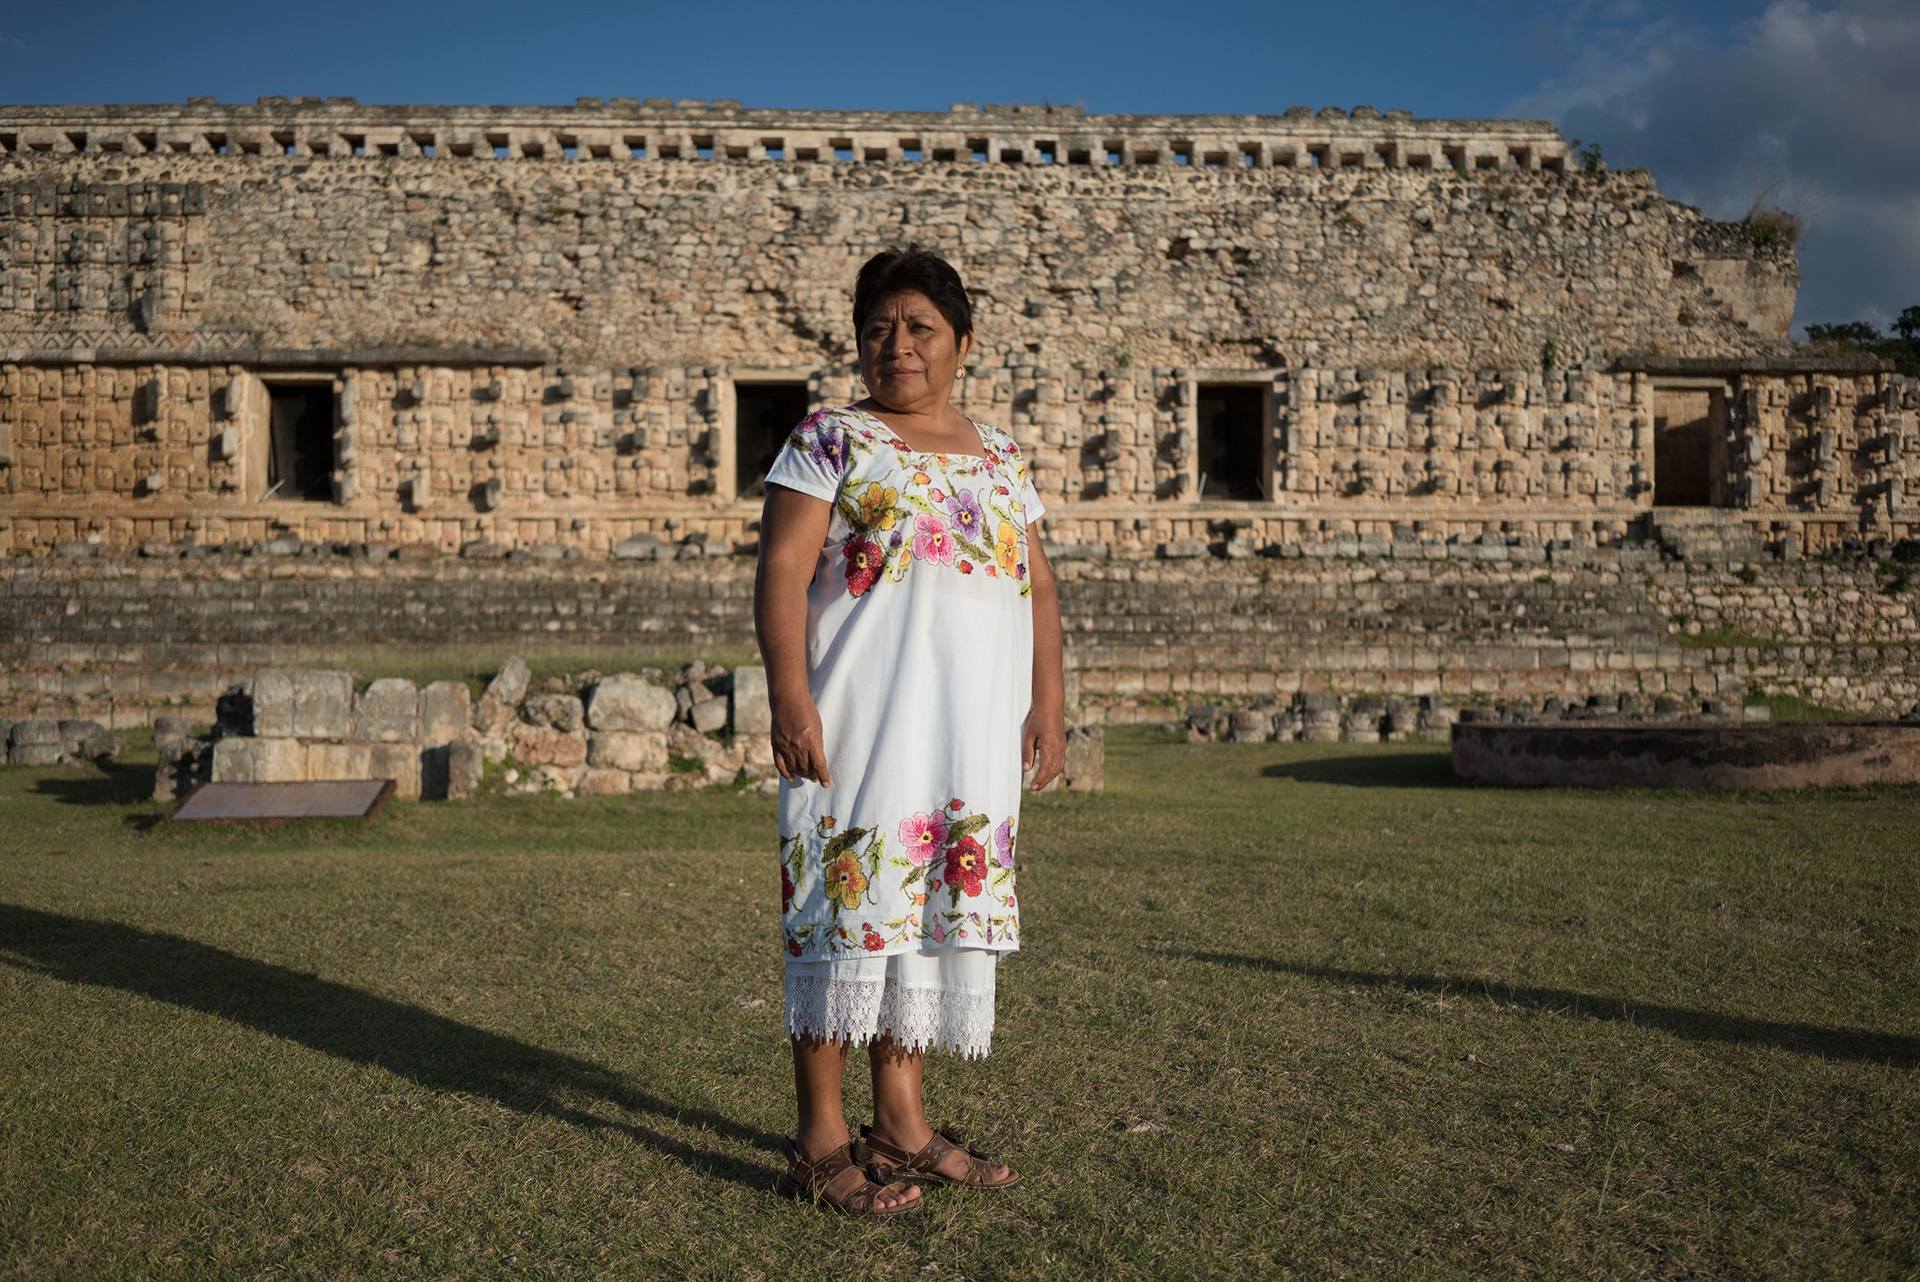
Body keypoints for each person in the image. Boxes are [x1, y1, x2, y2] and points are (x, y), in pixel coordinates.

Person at [754, 246, 1067, 1214]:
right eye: (879, 329)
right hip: (858, 723)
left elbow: (1039, 584)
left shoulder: (1002, 455)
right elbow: (780, 570)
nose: (897, 347)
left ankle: (902, 1123)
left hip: (965, 735)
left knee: (929, 920)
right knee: (842, 914)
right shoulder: (830, 438)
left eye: (920, 328)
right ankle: (818, 1139)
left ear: (963, 343)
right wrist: (790, 699)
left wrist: (1046, 701)